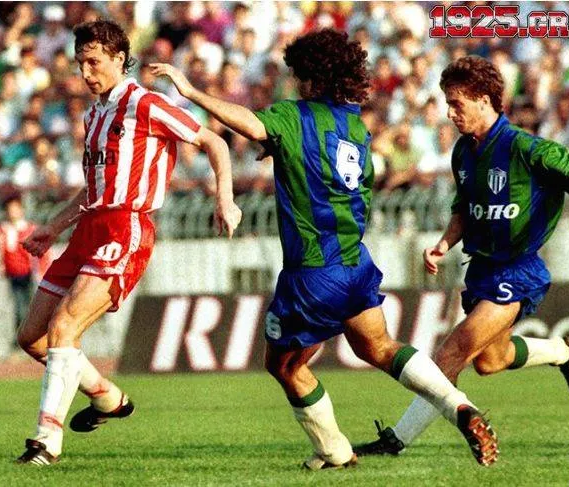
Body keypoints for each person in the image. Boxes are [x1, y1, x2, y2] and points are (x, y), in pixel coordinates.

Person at [151, 30, 498, 470]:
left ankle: (333, 451)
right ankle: (458, 406)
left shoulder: (294, 116)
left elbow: (251, 123)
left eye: (297, 75)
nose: (294, 83)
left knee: (283, 366)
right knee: (378, 347)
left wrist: (191, 91)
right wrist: (282, 151)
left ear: (312, 78)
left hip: (313, 270)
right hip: (355, 261)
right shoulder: (354, 125)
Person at [14, 20, 242, 465]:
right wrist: (53, 227)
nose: (85, 72)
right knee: (32, 338)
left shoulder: (146, 103)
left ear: (120, 59)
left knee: (65, 327)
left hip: (126, 228)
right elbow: (94, 186)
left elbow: (214, 141)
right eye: (80, 63)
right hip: (88, 229)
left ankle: (45, 442)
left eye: (93, 62)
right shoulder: (94, 113)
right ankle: (107, 398)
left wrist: (225, 198)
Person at [352, 55, 569, 458]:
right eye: (448, 104)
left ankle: (397, 440)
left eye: (457, 104)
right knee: (491, 360)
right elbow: (464, 208)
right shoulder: (463, 152)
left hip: (517, 269)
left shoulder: (526, 147)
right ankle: (565, 352)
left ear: (485, 100)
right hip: (481, 269)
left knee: (450, 352)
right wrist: (444, 243)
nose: (450, 113)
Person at [0, 195, 50, 354]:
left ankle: (29, 340)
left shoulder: (30, 229)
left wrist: (42, 270)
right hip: (6, 276)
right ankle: (13, 342)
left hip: (27, 274)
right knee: (8, 309)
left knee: (27, 308)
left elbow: (42, 253)